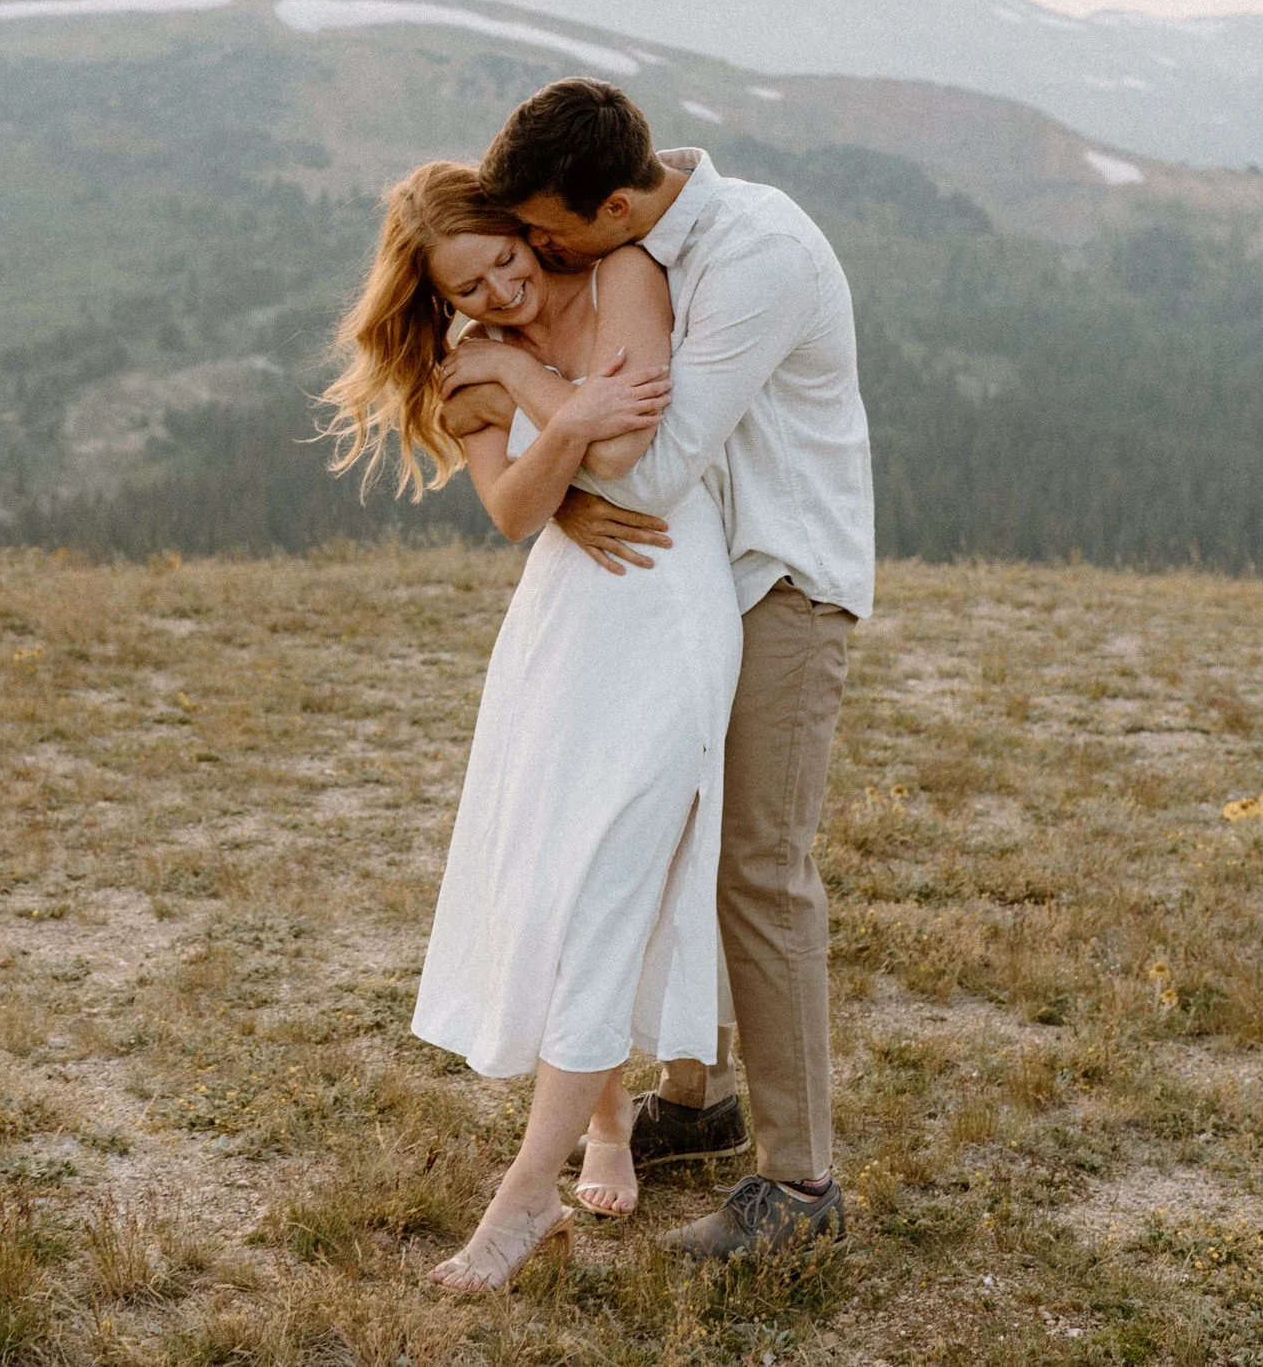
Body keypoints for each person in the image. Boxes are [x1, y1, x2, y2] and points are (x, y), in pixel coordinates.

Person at [444, 78, 875, 1260]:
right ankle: (697, 1097)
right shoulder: (644, 236)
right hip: (707, 578)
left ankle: (797, 1189)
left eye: (549, 232)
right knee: (680, 832)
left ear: (619, 201)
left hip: (782, 573)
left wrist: (531, 397)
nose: (537, 253)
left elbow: (649, 469)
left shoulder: (756, 257)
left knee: (758, 866)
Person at [320, 161, 745, 1293]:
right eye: (472, 288)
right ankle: (602, 1126)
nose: (502, 291)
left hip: (668, 602)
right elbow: (512, 509)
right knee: (564, 878)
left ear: (523, 230)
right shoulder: (474, 366)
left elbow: (627, 453)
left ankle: (521, 1195)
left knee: (613, 874)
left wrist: (538, 403)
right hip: (566, 625)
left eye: (505, 260)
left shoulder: (622, 274)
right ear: (437, 292)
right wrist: (523, 389)